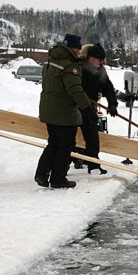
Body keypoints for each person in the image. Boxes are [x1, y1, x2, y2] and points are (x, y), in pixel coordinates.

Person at [34, 34, 95, 189]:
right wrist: (87, 108)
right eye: (78, 49)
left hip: (48, 109)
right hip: (64, 112)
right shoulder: (70, 67)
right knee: (66, 145)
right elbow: (75, 90)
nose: (79, 52)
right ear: (72, 48)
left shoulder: (51, 61)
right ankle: (58, 179)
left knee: (54, 142)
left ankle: (42, 173)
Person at [73, 43, 118, 174]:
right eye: (100, 59)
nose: (102, 62)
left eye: (103, 59)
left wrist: (112, 104)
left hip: (89, 109)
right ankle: (68, 162)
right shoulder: (78, 68)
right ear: (91, 58)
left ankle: (93, 165)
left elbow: (108, 88)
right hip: (74, 108)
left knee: (92, 137)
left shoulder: (100, 71)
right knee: (70, 138)